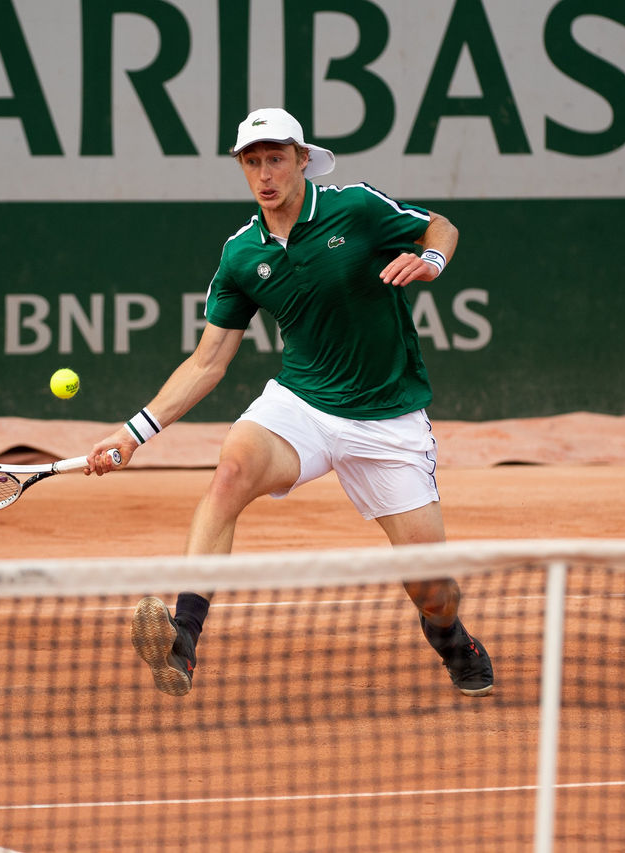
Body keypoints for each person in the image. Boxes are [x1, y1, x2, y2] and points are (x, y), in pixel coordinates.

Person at [85, 107, 493, 698]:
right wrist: (132, 433)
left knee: (433, 589)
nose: (265, 174)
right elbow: (207, 362)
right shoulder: (241, 256)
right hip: (301, 406)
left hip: (387, 419)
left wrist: (431, 259)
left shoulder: (354, 207)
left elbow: (441, 226)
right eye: (252, 162)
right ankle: (184, 637)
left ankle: (454, 640)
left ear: (303, 159)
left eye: (276, 158)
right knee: (230, 472)